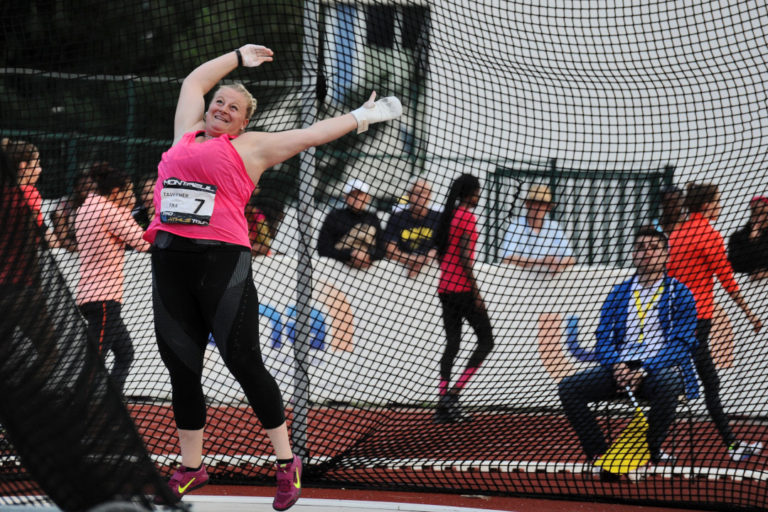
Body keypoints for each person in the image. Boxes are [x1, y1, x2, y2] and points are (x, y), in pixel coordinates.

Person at [142, 44, 401, 509]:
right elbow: (192, 83)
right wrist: (238, 56)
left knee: (244, 363)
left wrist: (365, 116)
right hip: (168, 262)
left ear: (243, 122)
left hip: (221, 265)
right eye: (219, 102)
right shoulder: (184, 136)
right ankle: (192, 466)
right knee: (181, 368)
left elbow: (311, 135)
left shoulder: (251, 147)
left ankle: (286, 463)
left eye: (233, 108)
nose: (221, 109)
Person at [558, 227, 699, 480]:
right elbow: (603, 336)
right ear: (633, 255)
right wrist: (616, 366)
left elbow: (682, 344)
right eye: (640, 248)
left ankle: (648, 451)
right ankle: (601, 456)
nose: (646, 253)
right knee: (569, 387)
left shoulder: (681, 293)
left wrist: (644, 369)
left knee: (668, 385)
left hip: (659, 369)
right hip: (621, 368)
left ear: (666, 256)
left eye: (654, 248)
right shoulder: (619, 292)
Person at [668, 182, 763, 462]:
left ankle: (731, 445)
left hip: (673, 320)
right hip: (697, 322)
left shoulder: (676, 234)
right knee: (709, 384)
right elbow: (727, 280)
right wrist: (750, 313)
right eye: (718, 201)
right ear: (707, 205)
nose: (720, 206)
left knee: (674, 382)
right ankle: (732, 447)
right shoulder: (708, 235)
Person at [75, 162, 150, 394]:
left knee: (125, 353)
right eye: (129, 192)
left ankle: (111, 404)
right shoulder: (109, 210)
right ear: (116, 192)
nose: (133, 197)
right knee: (95, 360)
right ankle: (79, 410)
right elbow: (144, 242)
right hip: (104, 298)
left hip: (94, 297)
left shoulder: (87, 206)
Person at [432, 173, 494, 423]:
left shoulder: (449, 216)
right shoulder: (467, 217)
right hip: (463, 290)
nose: (479, 196)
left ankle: (442, 403)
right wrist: (477, 293)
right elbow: (467, 259)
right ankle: (454, 396)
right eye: (477, 192)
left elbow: (441, 254)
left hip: (445, 289)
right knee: (486, 341)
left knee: (453, 344)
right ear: (471, 194)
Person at [500, 184, 575, 274]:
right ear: (527, 204)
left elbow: (570, 258)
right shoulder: (515, 226)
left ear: (548, 208)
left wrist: (558, 265)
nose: (538, 208)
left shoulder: (555, 227)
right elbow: (508, 258)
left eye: (542, 204)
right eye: (534, 203)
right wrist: (541, 262)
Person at [316, 178, 386, 270]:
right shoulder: (334, 216)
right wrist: (351, 254)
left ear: (368, 197)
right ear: (345, 197)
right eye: (352, 195)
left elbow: (382, 250)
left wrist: (368, 256)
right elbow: (323, 249)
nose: (357, 198)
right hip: (337, 272)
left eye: (360, 194)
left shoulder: (373, 218)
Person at [1, 138, 60, 248]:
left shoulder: (4, 191)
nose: (40, 169)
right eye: (37, 164)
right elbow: (37, 228)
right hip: (21, 260)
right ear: (23, 166)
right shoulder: (29, 193)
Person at [383, 178, 441, 277]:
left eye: (425, 192)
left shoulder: (438, 218)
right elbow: (390, 251)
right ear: (409, 195)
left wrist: (429, 256)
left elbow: (445, 245)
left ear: (430, 196)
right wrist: (416, 261)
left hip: (432, 274)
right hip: (398, 275)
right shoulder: (396, 218)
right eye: (417, 192)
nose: (421, 196)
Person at [50, 168, 95, 251]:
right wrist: (86, 251)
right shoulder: (62, 206)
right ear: (75, 189)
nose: (90, 193)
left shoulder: (97, 207)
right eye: (85, 189)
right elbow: (62, 239)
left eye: (92, 189)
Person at [728, 195, 768, 281]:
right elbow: (735, 265)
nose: (760, 217)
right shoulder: (737, 237)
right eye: (756, 213)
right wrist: (753, 242)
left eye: (763, 213)